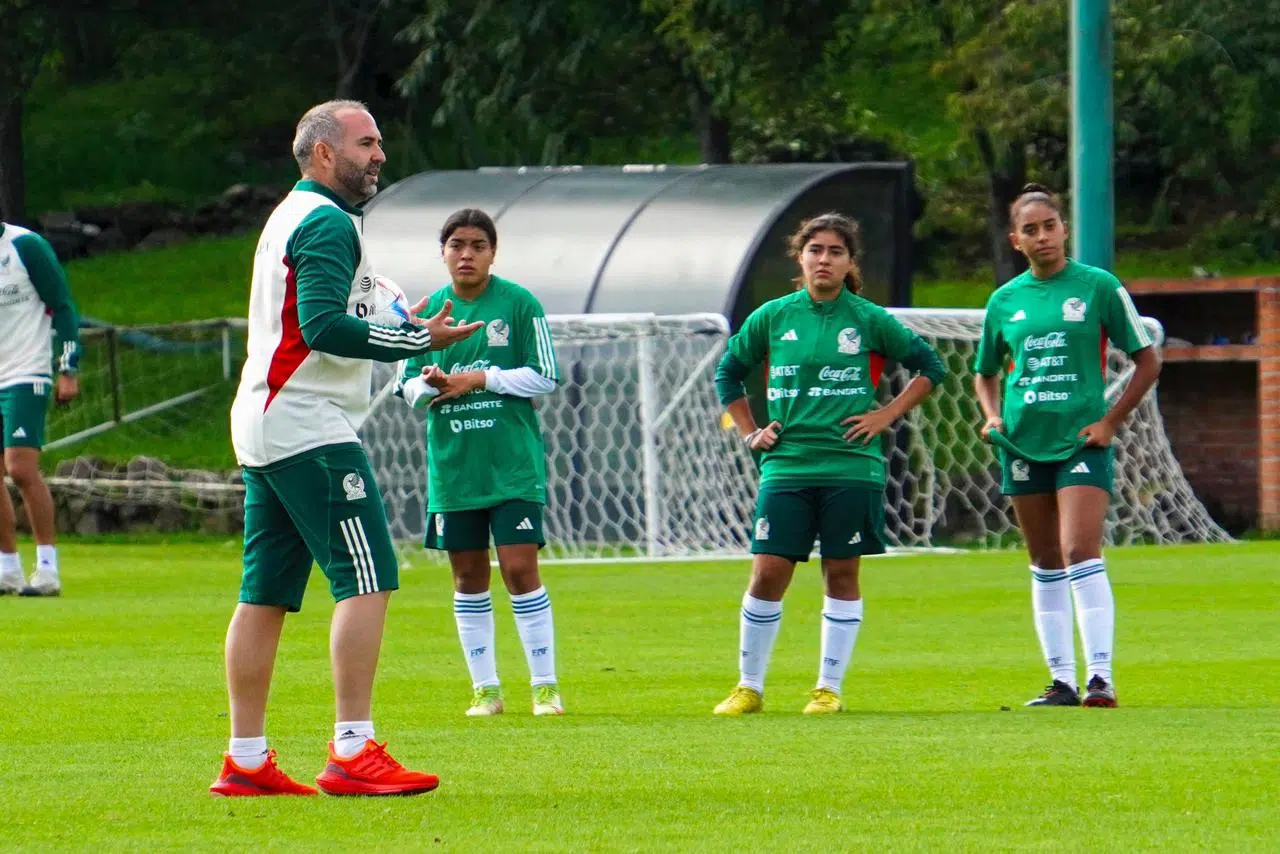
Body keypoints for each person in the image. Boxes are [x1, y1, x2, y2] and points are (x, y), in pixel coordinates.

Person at [211, 100, 483, 797]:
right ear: (325, 153)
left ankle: (246, 758)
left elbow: (328, 314)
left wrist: (401, 322)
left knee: (264, 593)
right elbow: (324, 326)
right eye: (367, 143)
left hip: (267, 419)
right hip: (306, 420)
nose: (380, 156)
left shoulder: (292, 216)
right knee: (369, 576)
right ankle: (353, 751)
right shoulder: (327, 221)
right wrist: (418, 340)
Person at [712, 212, 945, 716]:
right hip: (788, 466)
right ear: (801, 257)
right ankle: (749, 686)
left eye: (835, 252)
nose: (824, 259)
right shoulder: (773, 316)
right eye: (815, 249)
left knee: (841, 572)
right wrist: (752, 430)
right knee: (768, 572)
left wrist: (886, 415)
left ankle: (828, 689)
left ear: (848, 262)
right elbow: (728, 374)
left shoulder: (867, 318)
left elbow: (932, 366)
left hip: (851, 466)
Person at [974, 182, 1160, 709]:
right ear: (1016, 240)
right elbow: (984, 373)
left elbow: (1148, 360)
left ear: (1064, 228)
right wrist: (991, 416)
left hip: (1081, 439)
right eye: (1029, 230)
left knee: (1080, 548)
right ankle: (1060, 681)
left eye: (1049, 226)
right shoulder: (1004, 301)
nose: (1042, 237)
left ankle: (1100, 676)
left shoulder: (1098, 286)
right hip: (1022, 443)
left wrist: (1110, 422)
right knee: (1044, 559)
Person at [396, 208, 563, 718]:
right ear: (443, 252)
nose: (466, 254)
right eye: (456, 245)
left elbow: (547, 376)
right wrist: (431, 384)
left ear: (493, 252)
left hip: (511, 466)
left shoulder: (518, 304)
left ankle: (545, 686)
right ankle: (486, 690)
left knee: (518, 568)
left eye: (477, 245)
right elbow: (404, 389)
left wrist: (480, 379)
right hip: (454, 470)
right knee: (468, 577)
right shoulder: (427, 312)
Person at [0, 220, 79, 598]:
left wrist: (68, 368)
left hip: (25, 372)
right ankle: (8, 568)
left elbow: (62, 306)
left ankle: (47, 568)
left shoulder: (26, 246)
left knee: (20, 467)